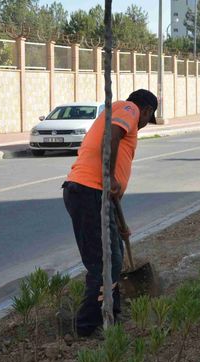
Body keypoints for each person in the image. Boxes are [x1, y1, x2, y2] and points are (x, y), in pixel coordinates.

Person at [62, 89, 158, 337]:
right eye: (149, 119)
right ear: (146, 110)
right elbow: (111, 135)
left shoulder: (121, 112)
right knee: (103, 263)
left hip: (97, 196)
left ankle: (111, 315)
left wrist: (118, 225)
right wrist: (111, 176)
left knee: (113, 258)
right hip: (89, 191)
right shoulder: (129, 109)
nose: (145, 125)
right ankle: (85, 327)